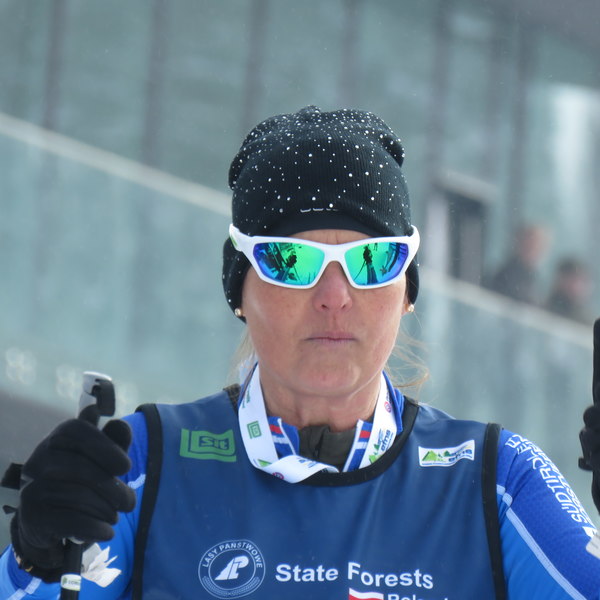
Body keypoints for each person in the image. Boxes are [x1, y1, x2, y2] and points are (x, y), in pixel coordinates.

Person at [1, 106, 599, 599]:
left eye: (372, 260)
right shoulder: (138, 466)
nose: (335, 296)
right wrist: (32, 559)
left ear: (406, 291)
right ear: (239, 289)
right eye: (291, 261)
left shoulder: (498, 481)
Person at [484, 223, 550, 304]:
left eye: (539, 246)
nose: (534, 249)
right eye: (530, 243)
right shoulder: (507, 274)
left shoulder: (535, 279)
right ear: (521, 243)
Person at [545, 257, 594, 325]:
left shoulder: (585, 321)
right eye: (573, 279)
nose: (577, 286)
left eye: (583, 282)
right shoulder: (543, 308)